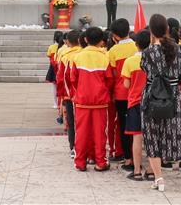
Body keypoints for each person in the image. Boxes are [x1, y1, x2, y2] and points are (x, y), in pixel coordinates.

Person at [141, 13, 181, 192]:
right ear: (167, 29)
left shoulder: (147, 53)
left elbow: (145, 70)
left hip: (151, 99)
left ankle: (159, 179)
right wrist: (173, 84)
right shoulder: (179, 49)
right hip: (173, 99)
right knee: (178, 138)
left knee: (152, 139)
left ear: (151, 31)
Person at [67, 26, 110, 172]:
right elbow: (109, 80)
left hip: (82, 101)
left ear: (85, 39)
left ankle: (80, 162)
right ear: (101, 41)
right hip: (100, 101)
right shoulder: (105, 57)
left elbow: (73, 79)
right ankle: (100, 161)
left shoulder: (77, 56)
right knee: (99, 133)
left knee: (81, 132)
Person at [121, 30, 150, 180]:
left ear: (136, 44)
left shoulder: (130, 61)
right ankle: (151, 171)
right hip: (153, 103)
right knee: (152, 138)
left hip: (135, 102)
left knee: (137, 138)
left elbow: (126, 84)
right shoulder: (155, 60)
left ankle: (137, 170)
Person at [107, 19, 136, 164]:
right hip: (137, 92)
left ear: (115, 36)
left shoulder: (112, 51)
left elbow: (111, 76)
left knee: (123, 125)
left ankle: (127, 157)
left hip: (120, 94)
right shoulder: (137, 47)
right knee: (138, 126)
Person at [57, 30, 81, 158]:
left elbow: (60, 77)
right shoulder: (82, 55)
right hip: (82, 95)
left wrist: (61, 95)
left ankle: (73, 147)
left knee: (71, 123)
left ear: (68, 42)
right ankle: (83, 148)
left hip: (69, 95)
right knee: (82, 123)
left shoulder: (65, 56)